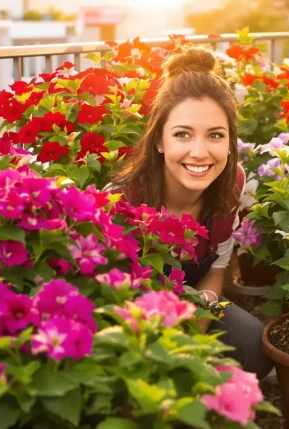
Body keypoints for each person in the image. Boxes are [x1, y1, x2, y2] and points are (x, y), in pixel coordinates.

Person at [111, 44, 273, 379]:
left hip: (196, 302)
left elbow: (218, 267)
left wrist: (199, 312)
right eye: (183, 134)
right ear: (159, 141)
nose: (199, 153)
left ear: (230, 141)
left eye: (215, 135)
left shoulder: (232, 184)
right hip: (132, 318)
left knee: (257, 348)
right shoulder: (122, 200)